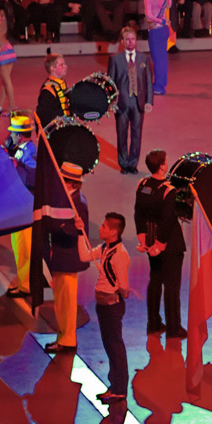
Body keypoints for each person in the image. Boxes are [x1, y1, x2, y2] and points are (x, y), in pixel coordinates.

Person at [76, 212, 131, 405]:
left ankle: (119, 390)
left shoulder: (119, 255)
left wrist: (119, 293)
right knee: (110, 346)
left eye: (104, 226)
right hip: (103, 306)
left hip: (111, 306)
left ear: (114, 231)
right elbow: (84, 256)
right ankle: (115, 386)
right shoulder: (105, 248)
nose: (100, 228)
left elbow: (123, 285)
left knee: (115, 347)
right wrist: (80, 233)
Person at [134, 149, 187, 338]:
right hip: (169, 245)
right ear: (162, 166)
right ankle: (174, 328)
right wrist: (159, 245)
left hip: (149, 240)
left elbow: (138, 213)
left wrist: (145, 242)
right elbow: (167, 221)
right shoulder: (168, 190)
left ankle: (154, 323)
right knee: (172, 286)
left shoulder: (143, 184)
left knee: (155, 281)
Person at [44, 162, 90, 354]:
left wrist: (56, 226)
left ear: (70, 183)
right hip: (62, 258)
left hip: (68, 259)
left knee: (66, 304)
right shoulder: (70, 198)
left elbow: (75, 232)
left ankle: (67, 340)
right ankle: (64, 337)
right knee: (61, 302)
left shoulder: (77, 203)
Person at [107, 26, 154, 175]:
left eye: (132, 39)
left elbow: (148, 81)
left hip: (138, 102)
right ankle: (123, 163)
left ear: (136, 41)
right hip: (121, 103)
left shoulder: (144, 58)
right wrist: (111, 103)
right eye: (127, 39)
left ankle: (133, 163)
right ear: (122, 41)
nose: (130, 42)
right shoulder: (115, 59)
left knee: (136, 134)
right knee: (121, 134)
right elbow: (110, 84)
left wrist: (149, 101)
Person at [4, 115, 37, 299]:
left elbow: (31, 178)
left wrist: (14, 164)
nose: (11, 135)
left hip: (26, 208)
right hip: (18, 207)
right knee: (19, 247)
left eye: (13, 133)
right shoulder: (22, 149)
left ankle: (26, 286)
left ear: (20, 135)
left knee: (25, 249)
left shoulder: (31, 152)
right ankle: (23, 280)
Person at [143, 0, 172, 95]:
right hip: (163, 30)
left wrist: (162, 21)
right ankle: (160, 84)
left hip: (156, 29)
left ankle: (159, 86)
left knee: (158, 59)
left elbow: (149, 15)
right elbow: (169, 4)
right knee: (161, 58)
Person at [36, 53, 72, 126]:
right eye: (61, 65)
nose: (65, 66)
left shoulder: (61, 82)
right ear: (52, 68)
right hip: (57, 130)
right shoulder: (48, 91)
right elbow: (44, 117)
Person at [0, 19, 19, 116]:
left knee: (7, 81)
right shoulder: (8, 21)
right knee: (5, 81)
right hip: (10, 50)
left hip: (2, 51)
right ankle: (0, 106)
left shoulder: (0, 24)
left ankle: (12, 105)